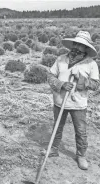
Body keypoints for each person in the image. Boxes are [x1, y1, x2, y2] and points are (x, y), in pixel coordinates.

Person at [47, 31, 100, 170]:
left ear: (86, 48)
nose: (77, 46)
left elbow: (95, 85)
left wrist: (81, 79)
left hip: (78, 103)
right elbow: (50, 76)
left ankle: (81, 155)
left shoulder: (91, 64)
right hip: (60, 100)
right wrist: (61, 84)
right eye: (76, 43)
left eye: (81, 45)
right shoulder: (61, 59)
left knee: (81, 130)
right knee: (57, 126)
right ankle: (53, 148)